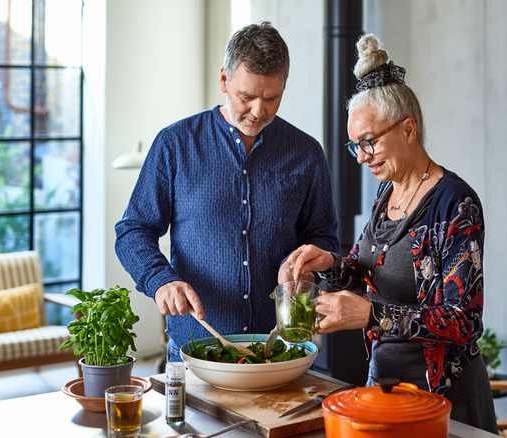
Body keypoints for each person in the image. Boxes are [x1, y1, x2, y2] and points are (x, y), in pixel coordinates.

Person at [280, 34, 497, 432]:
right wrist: (329, 264)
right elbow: (368, 270)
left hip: (443, 400)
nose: (361, 157)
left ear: (409, 129)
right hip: (383, 386)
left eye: (368, 141)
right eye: (354, 146)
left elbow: (463, 321)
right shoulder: (386, 193)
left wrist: (369, 315)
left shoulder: (456, 204)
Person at [115, 22, 339, 363]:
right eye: (246, 97)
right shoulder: (175, 144)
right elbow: (133, 230)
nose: (258, 111)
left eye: (272, 98)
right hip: (195, 350)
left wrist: (309, 266)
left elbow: (323, 237)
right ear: (224, 80)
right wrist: (160, 280)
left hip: (278, 351)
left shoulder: (306, 153)